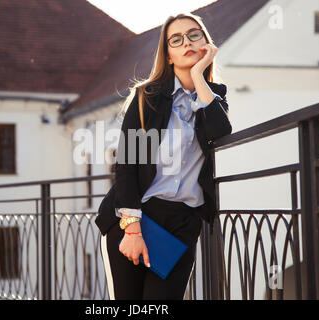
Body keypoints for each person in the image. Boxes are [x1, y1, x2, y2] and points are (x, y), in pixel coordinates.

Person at [96, 12, 232, 300]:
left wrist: (198, 75)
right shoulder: (147, 96)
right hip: (136, 216)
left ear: (206, 44)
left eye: (195, 35)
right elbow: (127, 163)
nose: (187, 43)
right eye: (177, 39)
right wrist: (132, 229)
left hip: (183, 223)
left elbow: (220, 130)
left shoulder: (213, 96)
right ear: (168, 55)